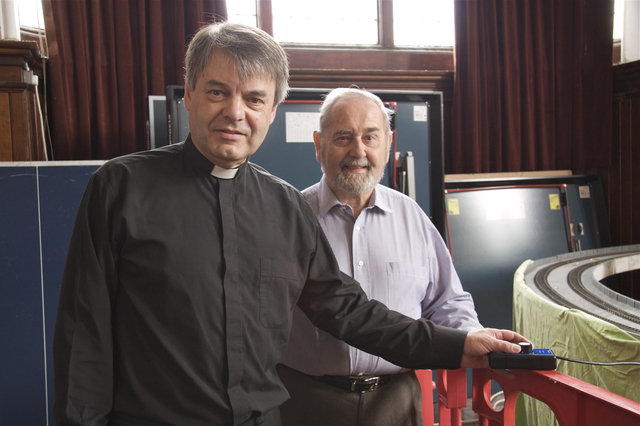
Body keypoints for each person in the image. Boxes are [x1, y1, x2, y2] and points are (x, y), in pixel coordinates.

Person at [53, 22, 528, 426]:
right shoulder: (120, 188)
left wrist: (459, 344)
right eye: (218, 92)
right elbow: (83, 340)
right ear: (191, 95)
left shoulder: (285, 208)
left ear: (272, 111)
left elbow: (351, 312)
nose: (235, 113)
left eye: (254, 99)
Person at [278, 88, 484, 426]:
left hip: (397, 402)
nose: (358, 151)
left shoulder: (412, 217)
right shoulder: (290, 219)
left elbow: (448, 301)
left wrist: (469, 339)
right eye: (343, 137)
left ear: (387, 146)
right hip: (306, 402)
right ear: (319, 145)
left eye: (370, 138)